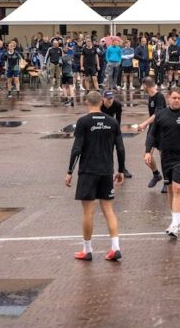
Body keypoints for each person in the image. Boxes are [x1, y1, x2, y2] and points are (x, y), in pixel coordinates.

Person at [65, 90, 126, 262]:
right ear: (101, 102)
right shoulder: (112, 122)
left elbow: (76, 149)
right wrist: (121, 170)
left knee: (88, 212)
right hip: (106, 170)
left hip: (88, 171)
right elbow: (120, 148)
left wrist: (69, 171)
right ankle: (115, 247)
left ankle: (87, 250)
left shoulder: (83, 122)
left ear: (86, 102)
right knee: (109, 210)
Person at [145, 87, 180, 239]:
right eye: (174, 98)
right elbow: (152, 134)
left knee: (179, 188)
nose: (177, 100)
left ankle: (175, 224)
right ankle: (176, 220)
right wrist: (147, 151)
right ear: (168, 98)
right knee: (170, 189)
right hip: (166, 157)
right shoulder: (161, 115)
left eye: (179, 98)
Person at [135, 77, 166, 190]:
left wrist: (144, 124)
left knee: (164, 157)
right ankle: (156, 174)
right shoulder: (150, 97)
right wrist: (148, 125)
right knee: (147, 156)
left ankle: (167, 181)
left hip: (162, 130)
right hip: (153, 129)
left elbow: (157, 114)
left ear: (145, 86)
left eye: (142, 86)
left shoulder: (159, 97)